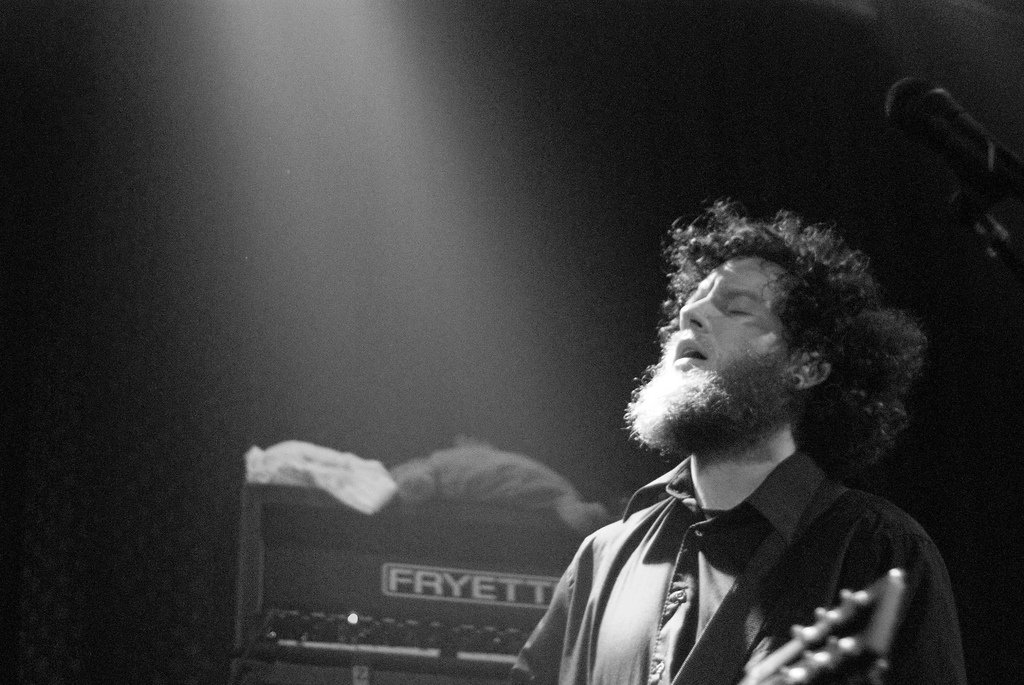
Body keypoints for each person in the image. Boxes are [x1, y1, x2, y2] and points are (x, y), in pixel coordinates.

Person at [510, 202, 966, 685]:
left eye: (737, 308)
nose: (691, 314)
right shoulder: (603, 555)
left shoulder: (876, 550)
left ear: (807, 367)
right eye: (692, 302)